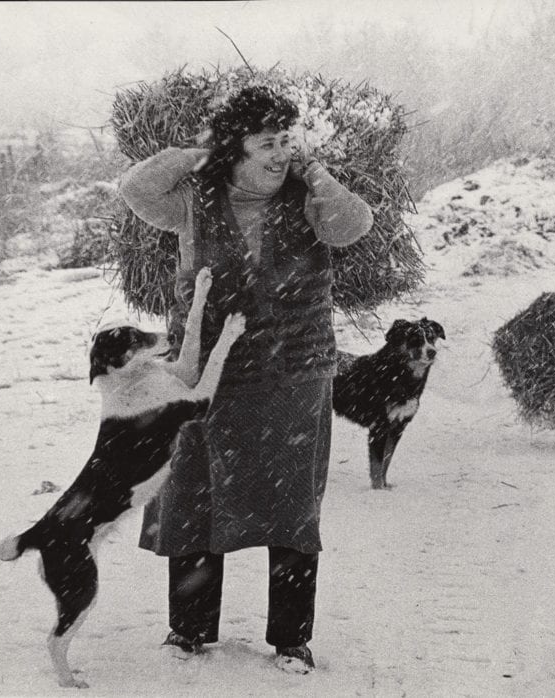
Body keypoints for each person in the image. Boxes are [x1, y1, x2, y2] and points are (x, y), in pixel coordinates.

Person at [119, 84, 373, 673]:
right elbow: (136, 188)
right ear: (237, 148)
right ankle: (189, 630)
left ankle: (291, 640)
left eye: (288, 139)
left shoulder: (307, 198)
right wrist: (197, 152)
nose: (281, 152)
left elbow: (352, 227)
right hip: (204, 368)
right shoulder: (192, 200)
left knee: (291, 505)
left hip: (293, 370)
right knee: (195, 496)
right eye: (267, 143)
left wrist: (319, 176)